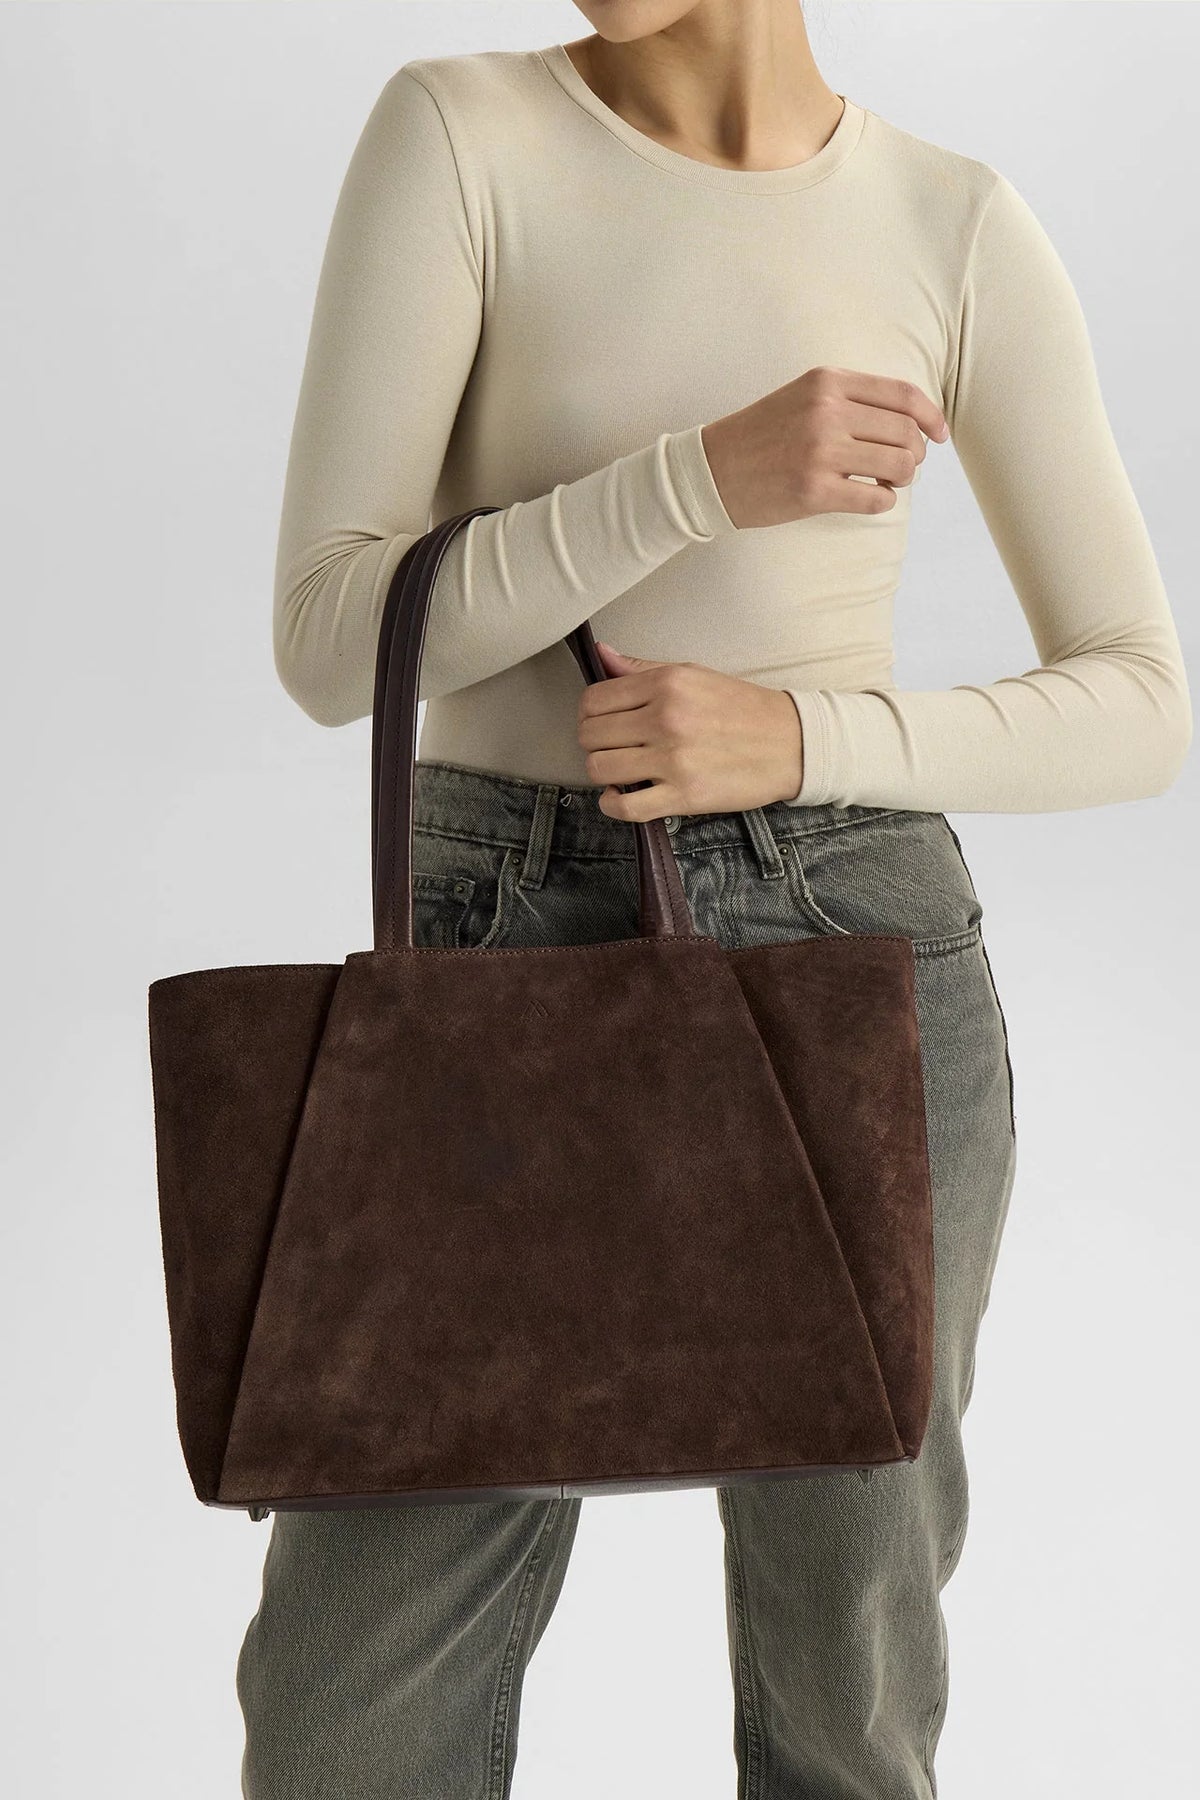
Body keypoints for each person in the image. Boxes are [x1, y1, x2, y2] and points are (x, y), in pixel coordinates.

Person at [238, 3, 1192, 1796]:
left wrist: (801, 737)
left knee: (848, 1688)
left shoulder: (951, 221)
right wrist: (695, 480)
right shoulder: (460, 135)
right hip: (497, 930)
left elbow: (1144, 702)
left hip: (850, 938)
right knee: (347, 1718)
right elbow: (330, 641)